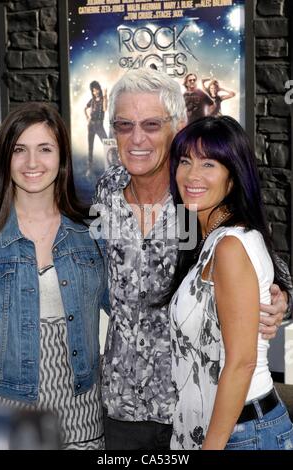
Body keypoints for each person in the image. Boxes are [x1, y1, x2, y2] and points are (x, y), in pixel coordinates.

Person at [93, 68, 290, 451]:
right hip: (121, 404)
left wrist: (278, 299)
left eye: (151, 124)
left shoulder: (196, 196)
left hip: (193, 407)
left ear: (178, 124)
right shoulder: (107, 191)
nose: (136, 139)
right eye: (124, 125)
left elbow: (258, 262)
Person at [168, 115, 293, 450]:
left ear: (233, 176)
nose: (192, 175)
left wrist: (212, 446)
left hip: (242, 432)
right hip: (226, 427)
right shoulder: (209, 236)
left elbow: (241, 362)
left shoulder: (229, 246)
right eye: (185, 161)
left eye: (209, 163)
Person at [0, 102, 109, 450]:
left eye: (45, 149)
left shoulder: (93, 234)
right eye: (19, 150)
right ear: (5, 158)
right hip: (8, 408)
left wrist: (274, 292)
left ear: (61, 158)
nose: (32, 163)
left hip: (81, 409)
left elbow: (137, 305)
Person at [85, 80, 108, 175]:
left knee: (107, 144)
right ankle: (89, 168)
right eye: (94, 90)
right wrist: (87, 118)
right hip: (91, 125)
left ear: (99, 89)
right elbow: (85, 108)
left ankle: (109, 166)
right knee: (90, 147)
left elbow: (105, 108)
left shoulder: (103, 99)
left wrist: (105, 95)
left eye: (97, 89)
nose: (96, 92)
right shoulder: (92, 100)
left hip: (99, 125)